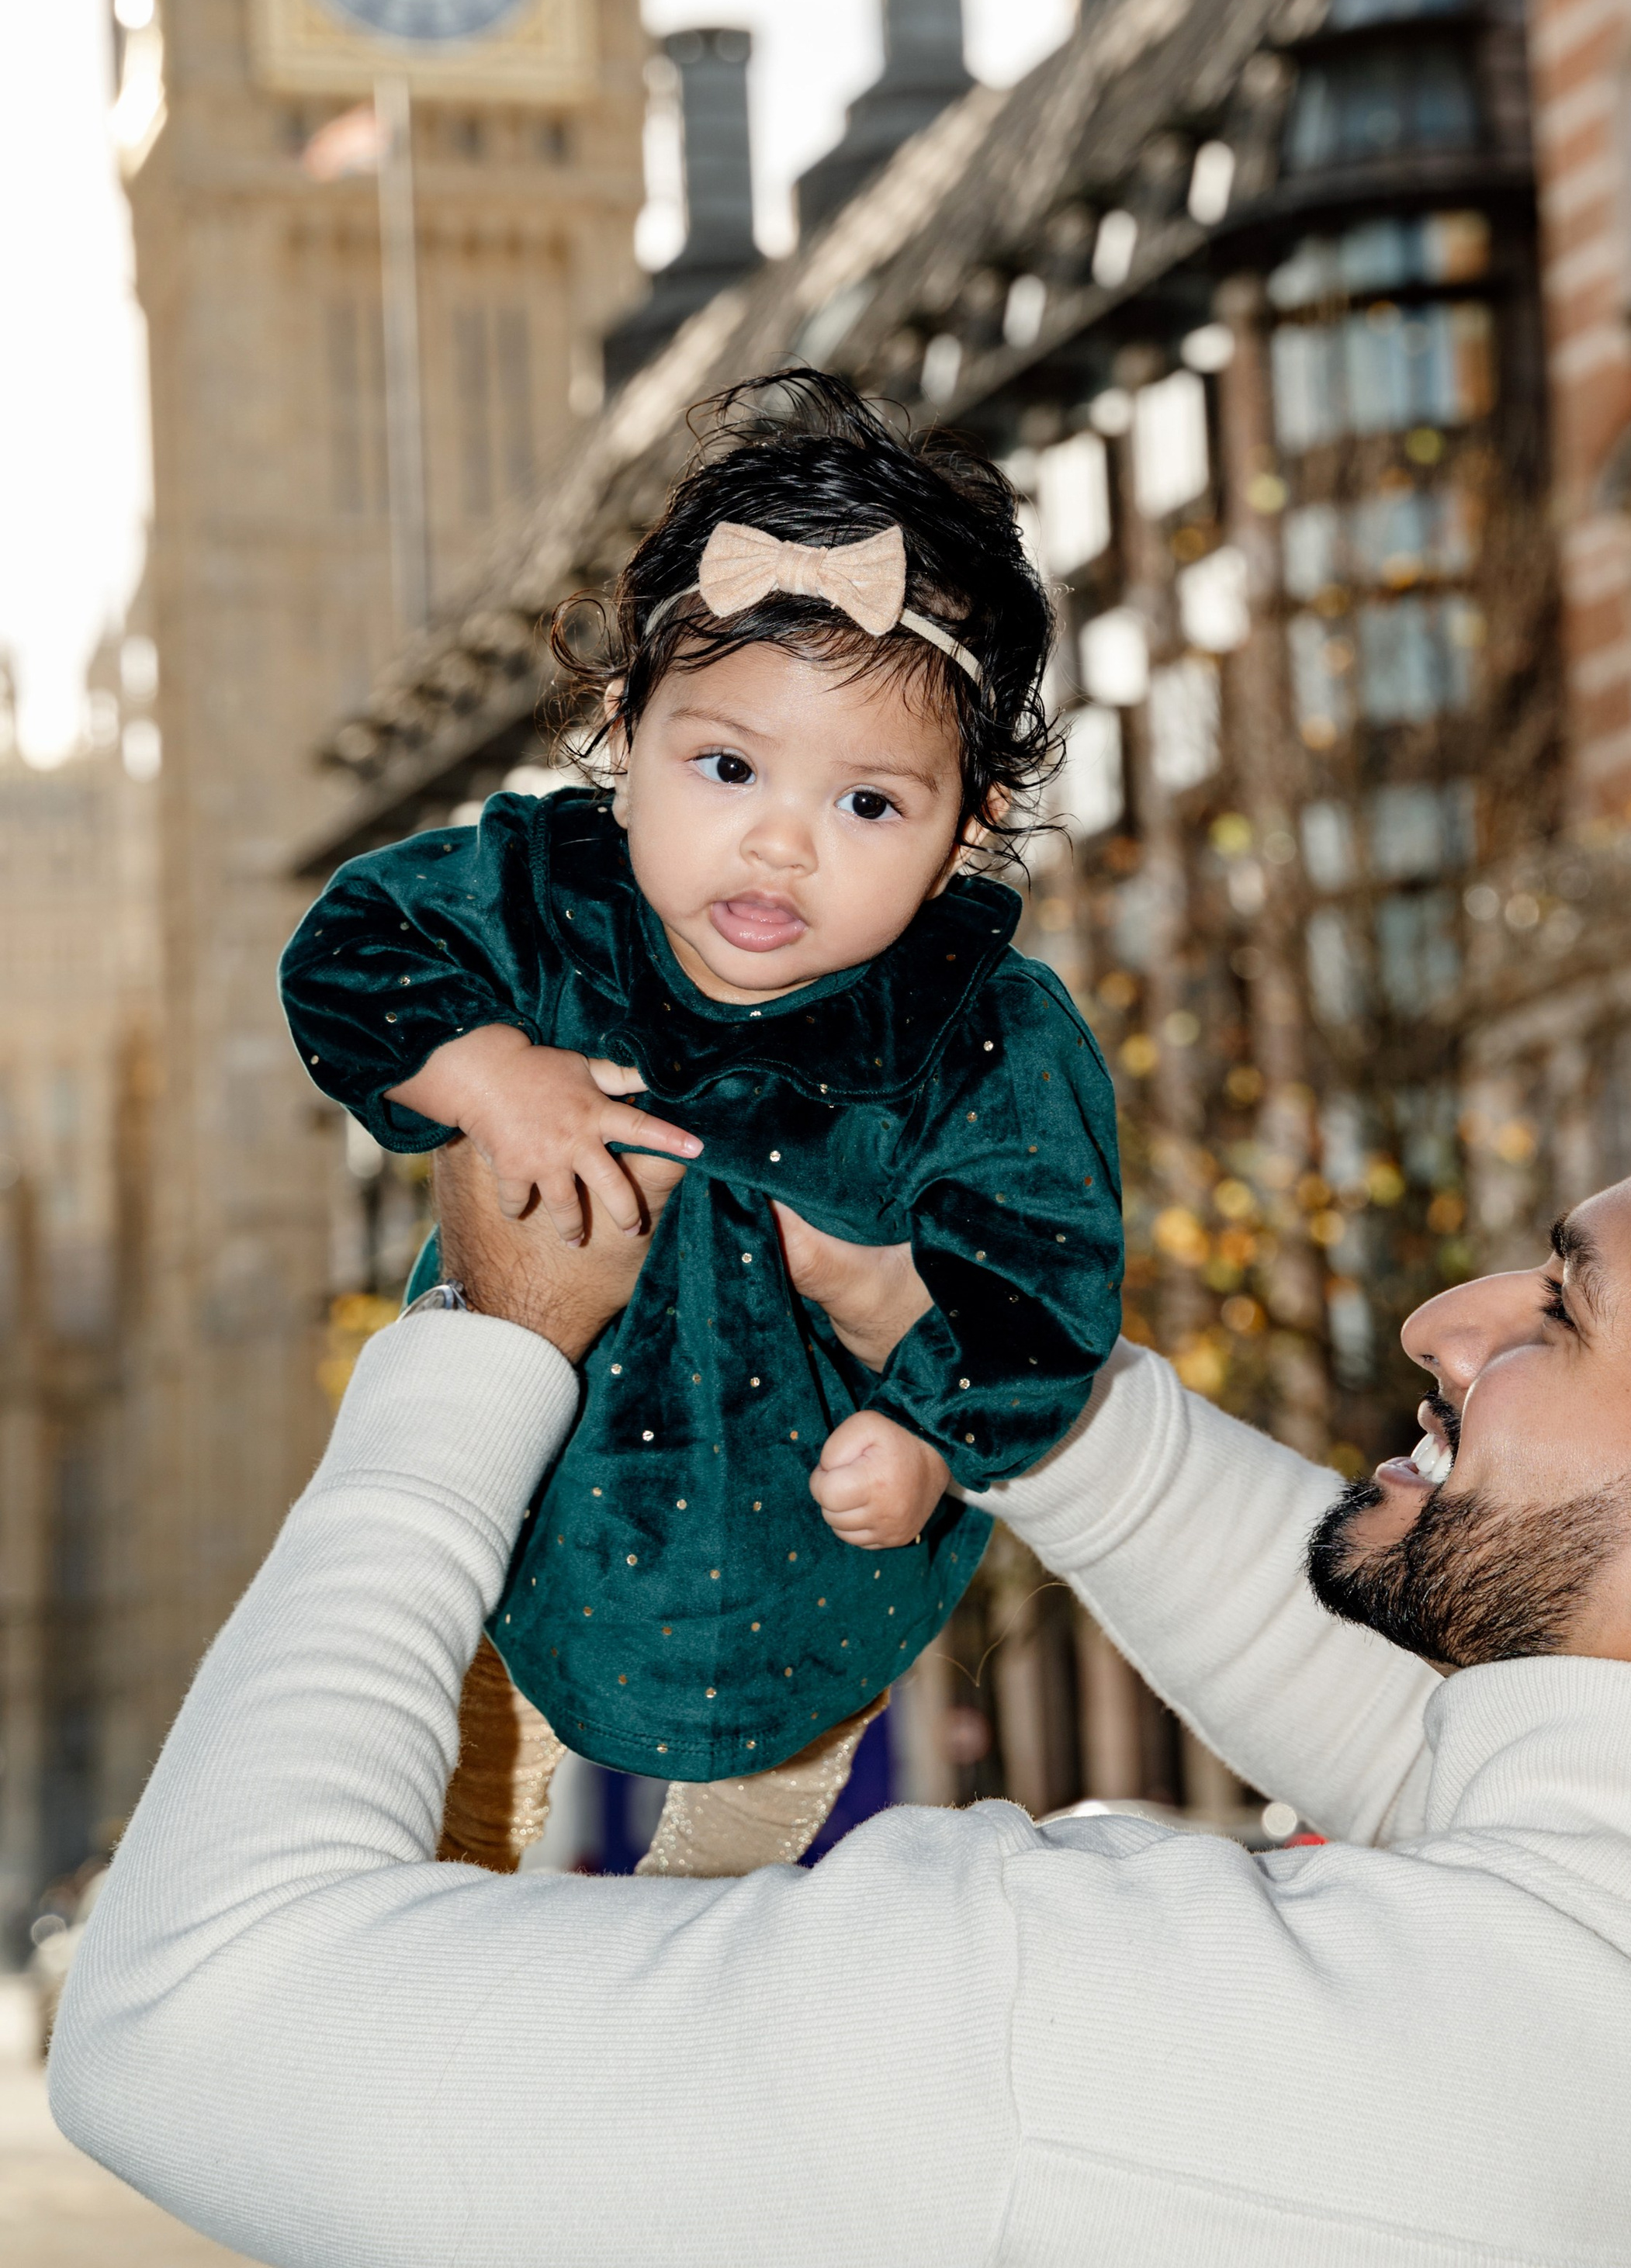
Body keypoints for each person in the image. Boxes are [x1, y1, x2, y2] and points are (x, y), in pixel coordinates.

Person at [52, 1025, 1631, 2263]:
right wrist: (986, 1359)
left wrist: (486, 1344)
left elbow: (196, 2017)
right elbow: (1473, 1783)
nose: (1444, 1321)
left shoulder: (1087, 2033)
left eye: (1558, 1316)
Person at [279, 371, 1121, 1870]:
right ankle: (442, 1948)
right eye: (726, 768)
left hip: (804, 1540)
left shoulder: (979, 1021)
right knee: (443, 1791)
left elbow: (1041, 1285)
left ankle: (707, 1954)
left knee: (738, 1895)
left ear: (971, 823)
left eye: (871, 806)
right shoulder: (546, 895)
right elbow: (347, 955)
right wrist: (483, 1071)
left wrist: (932, 1439)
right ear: (625, 728)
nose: (782, 842)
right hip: (523, 1504)